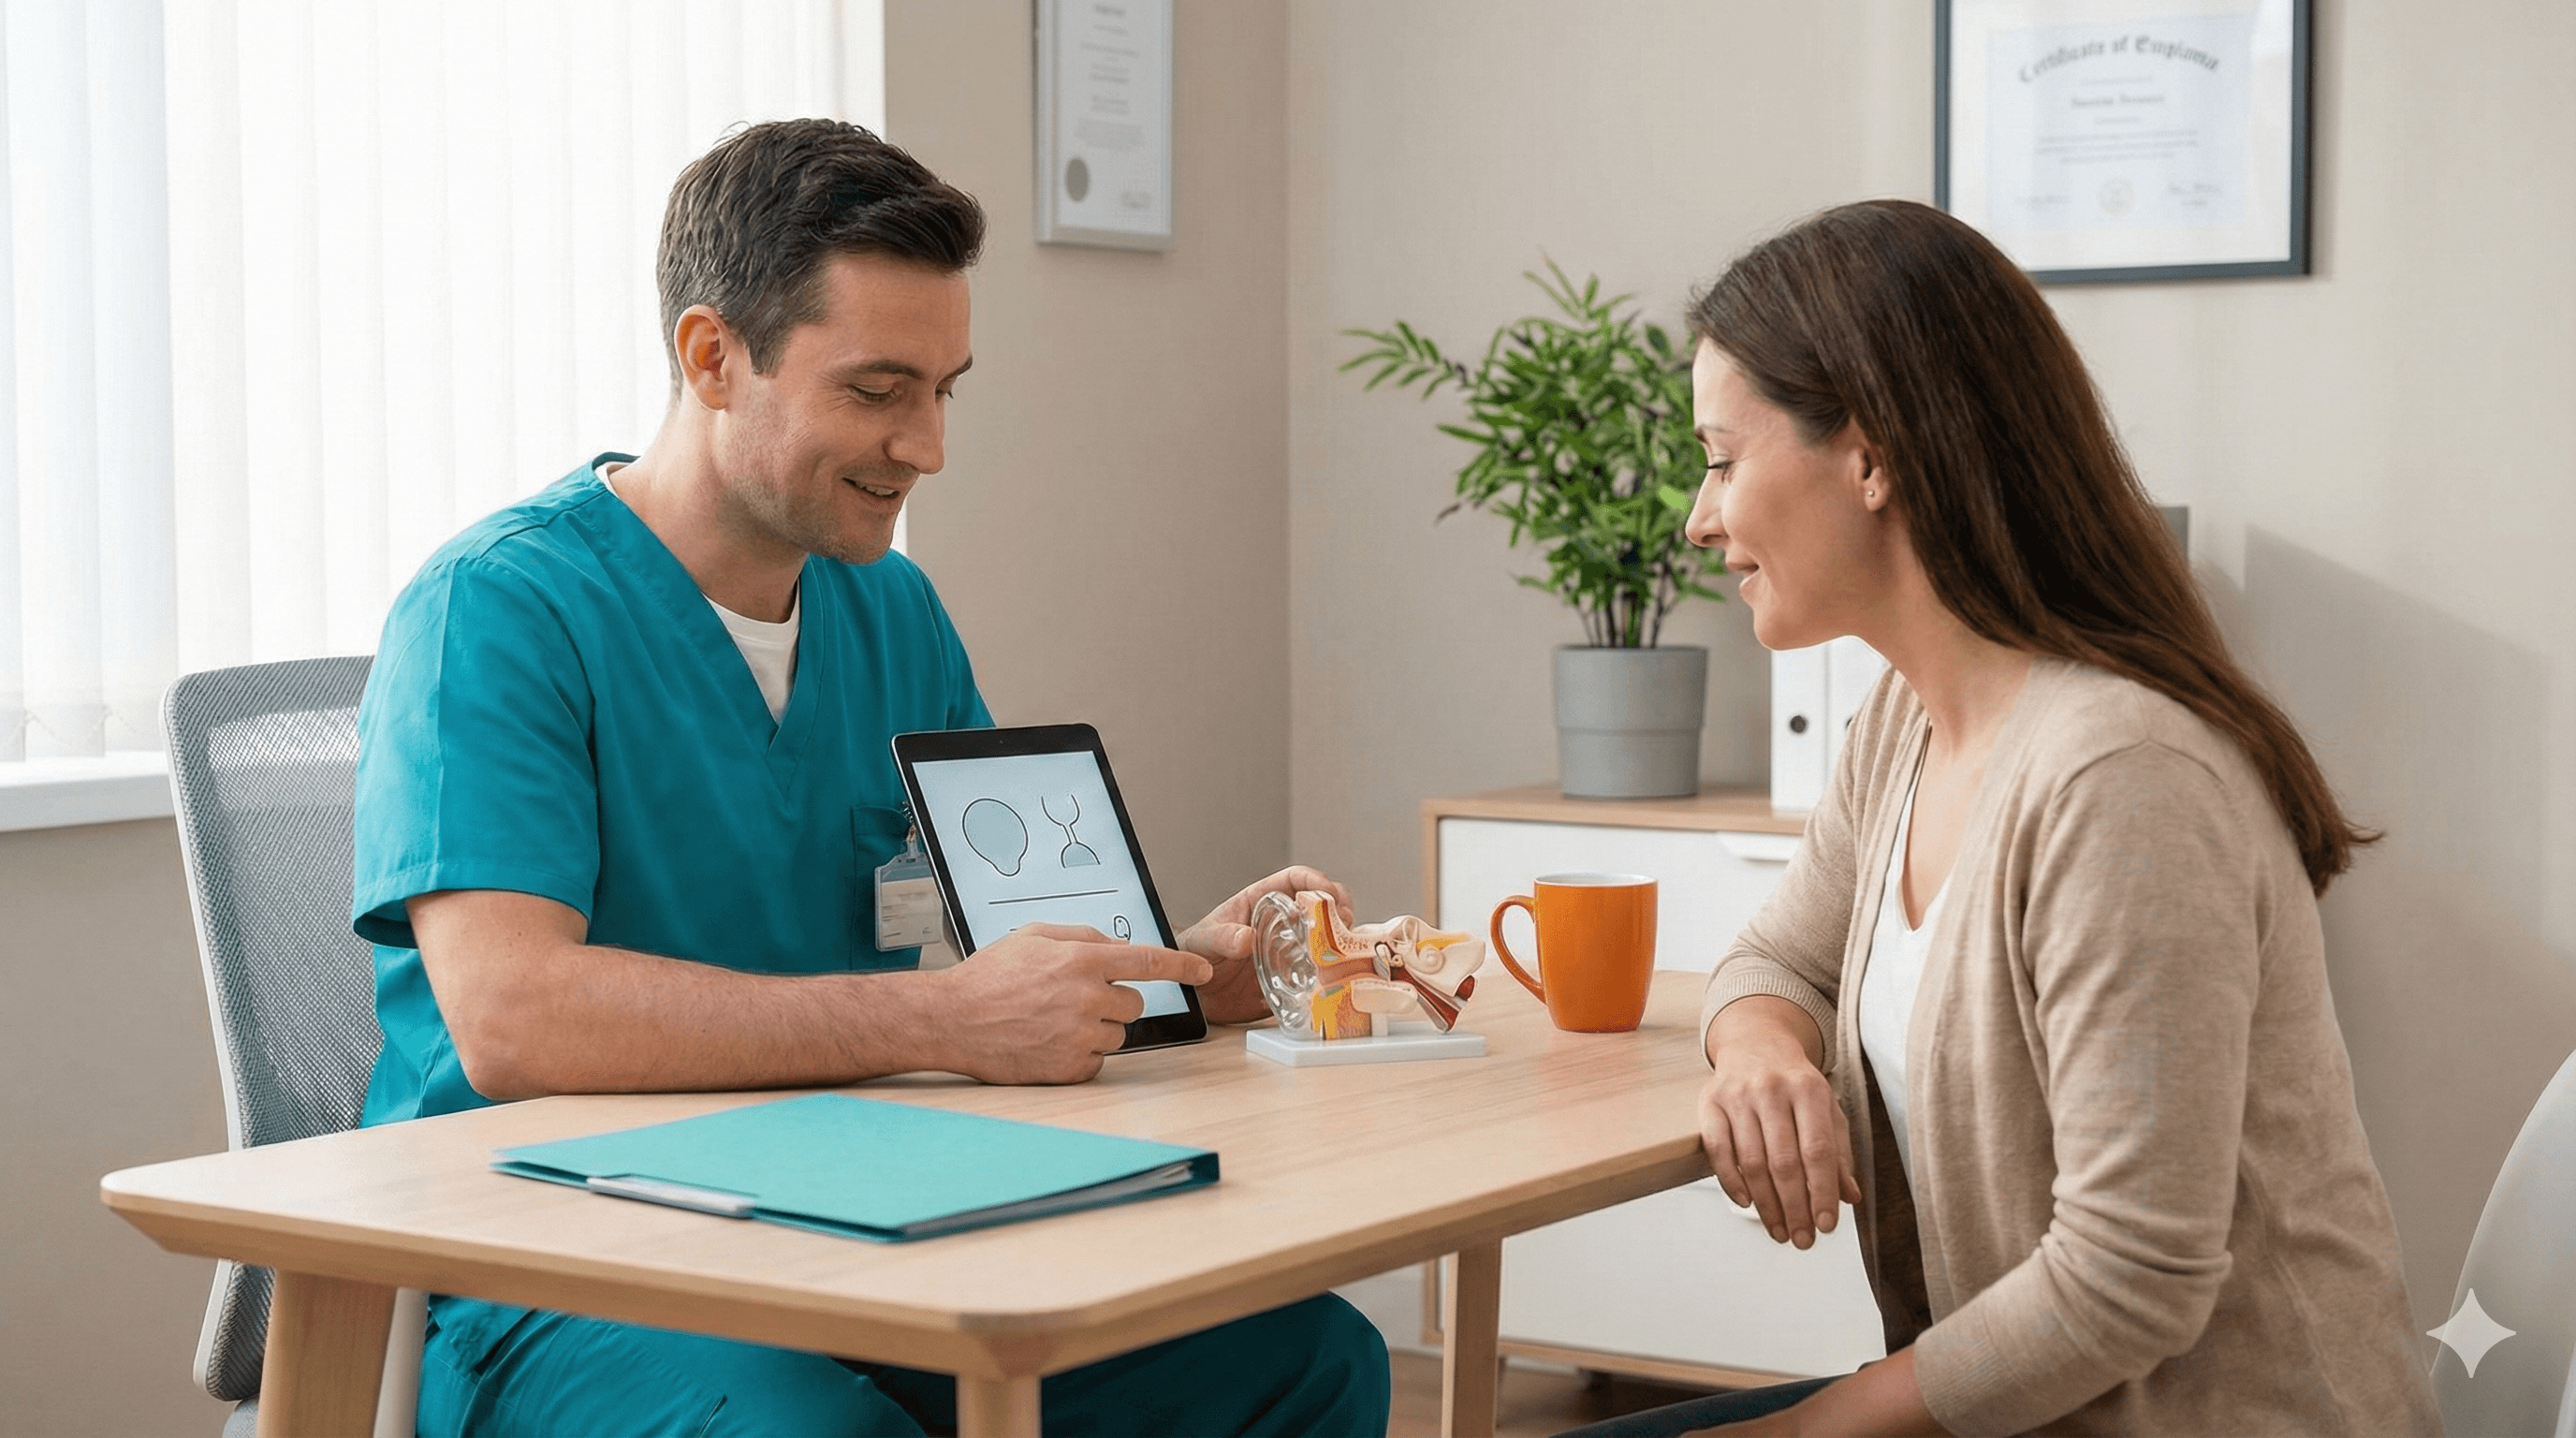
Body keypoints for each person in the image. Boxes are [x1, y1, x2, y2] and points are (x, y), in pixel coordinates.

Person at [351, 118, 1388, 1438]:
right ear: (713, 356)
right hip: (556, 1262)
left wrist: (1178, 975)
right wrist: (936, 1023)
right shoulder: (496, 612)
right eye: (879, 391)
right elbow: (512, 1020)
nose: (929, 447)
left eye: (947, 389)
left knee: (1307, 1362)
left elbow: (1005, 956)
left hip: (858, 1220)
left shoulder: (892, 611)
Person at [1564, 200, 2440, 1437]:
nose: (1698, 520)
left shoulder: (2119, 782)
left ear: (1872, 455)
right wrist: (1759, 1049)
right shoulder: (1906, 727)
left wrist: (1799, 1433)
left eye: (1720, 457)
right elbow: (1775, 958)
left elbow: (2131, 1278)